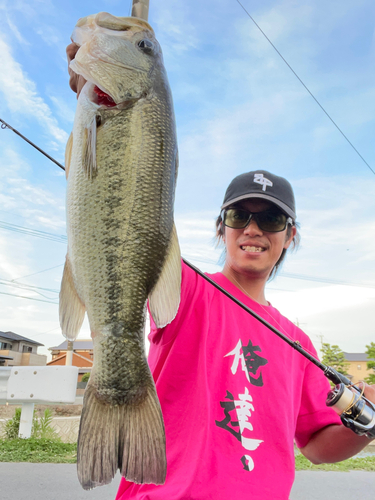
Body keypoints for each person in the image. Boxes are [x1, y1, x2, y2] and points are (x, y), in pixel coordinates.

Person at [67, 43, 375, 500]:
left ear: (289, 236)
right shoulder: (186, 290)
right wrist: (101, 109)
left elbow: (317, 445)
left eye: (270, 219)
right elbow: (126, 222)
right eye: (239, 217)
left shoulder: (299, 344)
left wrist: (366, 426)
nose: (253, 229)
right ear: (222, 229)